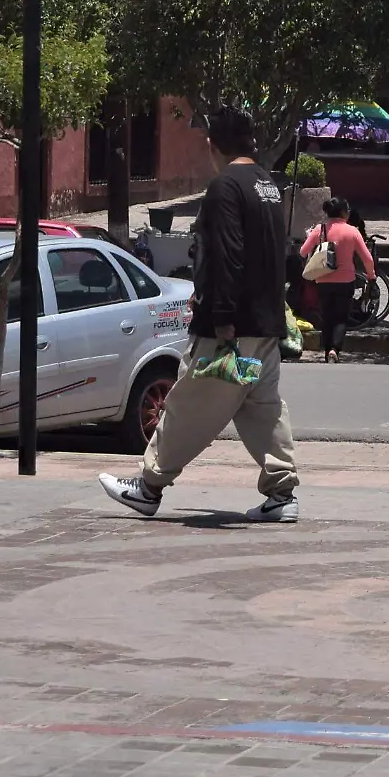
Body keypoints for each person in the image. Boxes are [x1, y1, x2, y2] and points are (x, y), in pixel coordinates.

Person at [99, 107, 301, 524]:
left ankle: (149, 486)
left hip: (229, 328)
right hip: (264, 324)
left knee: (189, 404)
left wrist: (221, 315)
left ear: (214, 145)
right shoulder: (267, 185)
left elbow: (226, 255)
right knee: (262, 406)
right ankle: (282, 494)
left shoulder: (225, 187)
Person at [299, 196, 376, 364]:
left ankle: (327, 351)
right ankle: (335, 349)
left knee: (327, 316)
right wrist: (371, 276)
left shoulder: (320, 230)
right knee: (341, 318)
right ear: (343, 212)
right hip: (346, 281)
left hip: (323, 280)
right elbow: (367, 258)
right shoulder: (352, 231)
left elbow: (303, 252)